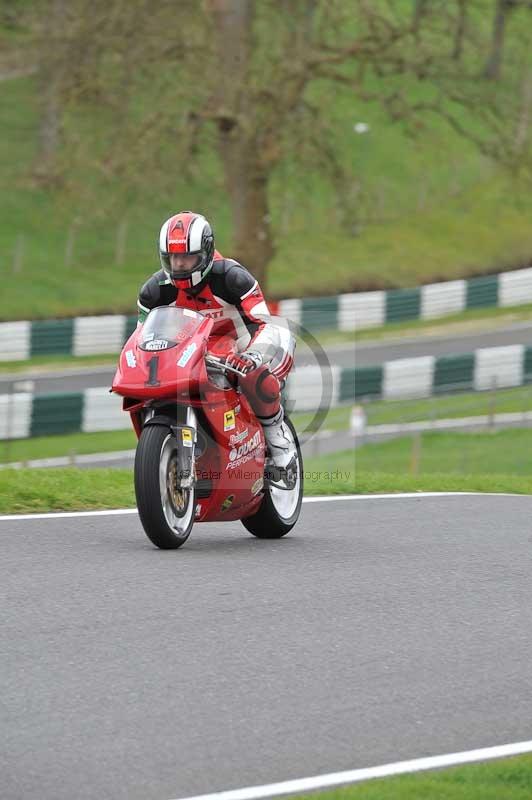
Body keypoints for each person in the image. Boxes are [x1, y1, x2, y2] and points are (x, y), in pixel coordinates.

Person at [137, 211, 295, 469]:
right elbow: (142, 338)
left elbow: (265, 323)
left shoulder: (232, 277)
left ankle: (277, 438)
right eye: (173, 258)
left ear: (206, 252)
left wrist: (253, 356)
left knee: (257, 375)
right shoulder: (154, 291)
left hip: (245, 344)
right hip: (194, 351)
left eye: (187, 257)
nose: (179, 265)